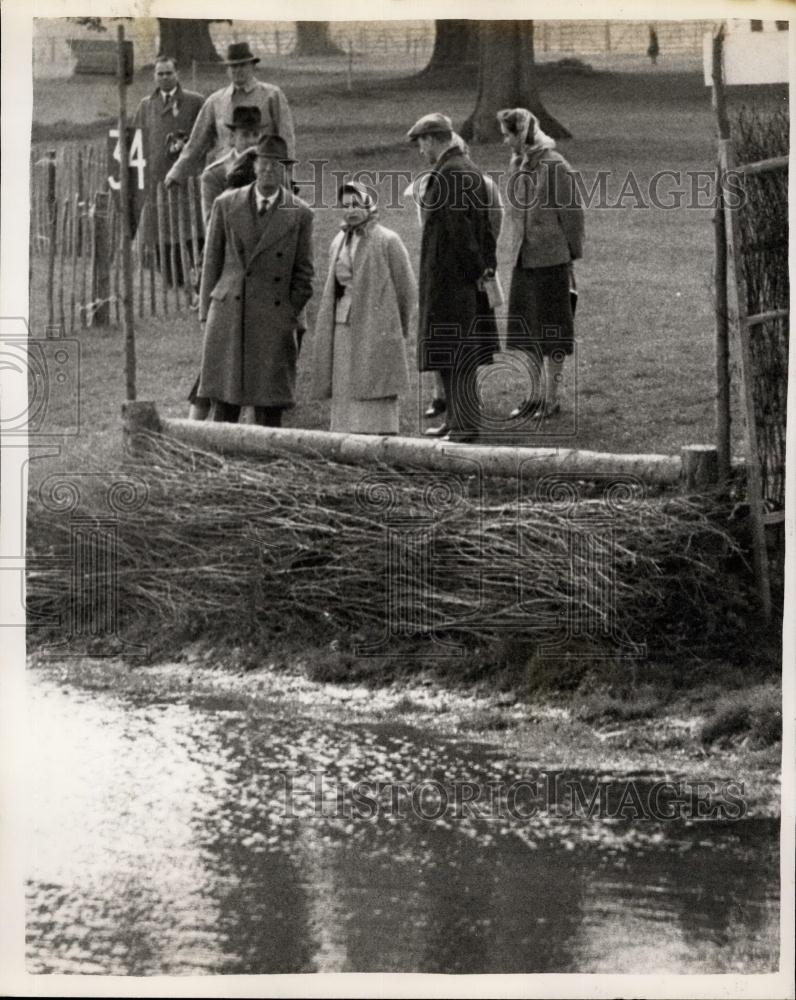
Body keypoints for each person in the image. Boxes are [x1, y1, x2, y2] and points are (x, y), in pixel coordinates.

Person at [196, 134, 314, 426]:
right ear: (254, 165)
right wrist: (205, 311)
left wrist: (287, 313)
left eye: (277, 165)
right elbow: (211, 262)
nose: (269, 170)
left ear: (285, 170)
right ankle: (222, 461)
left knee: (268, 403)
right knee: (225, 399)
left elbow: (304, 273)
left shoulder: (300, 213)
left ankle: (266, 465)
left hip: (273, 319)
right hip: (229, 313)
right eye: (263, 163)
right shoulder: (226, 204)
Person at [405, 132, 504, 437]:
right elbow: (486, 225)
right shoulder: (469, 168)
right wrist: (486, 267)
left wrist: (477, 269)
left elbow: (459, 229)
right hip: (462, 278)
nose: (421, 150)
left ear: (434, 140)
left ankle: (464, 426)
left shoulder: (449, 174)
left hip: (451, 280)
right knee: (452, 352)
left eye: (422, 143)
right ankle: (455, 421)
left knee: (456, 352)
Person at [498, 107, 584, 421]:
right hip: (523, 259)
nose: (506, 141)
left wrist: (570, 255)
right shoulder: (517, 164)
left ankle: (552, 397)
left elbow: (573, 216)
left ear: (524, 133)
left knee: (554, 331)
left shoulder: (556, 166)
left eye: (509, 134)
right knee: (527, 332)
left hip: (551, 260)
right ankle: (533, 396)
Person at [311, 181, 416, 435]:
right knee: (345, 381)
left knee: (374, 378)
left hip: (377, 323)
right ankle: (346, 436)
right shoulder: (338, 240)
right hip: (342, 322)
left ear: (369, 204)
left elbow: (406, 287)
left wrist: (395, 325)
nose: (351, 210)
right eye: (345, 206)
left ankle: (379, 435)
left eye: (356, 204)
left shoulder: (387, 240)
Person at [165, 42, 295, 188]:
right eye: (233, 66)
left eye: (242, 65)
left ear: (252, 66)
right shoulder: (216, 101)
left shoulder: (272, 95)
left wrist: (287, 174)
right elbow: (196, 142)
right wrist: (176, 172)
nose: (237, 70)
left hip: (262, 173)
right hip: (227, 176)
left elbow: (286, 138)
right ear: (227, 70)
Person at [132, 55, 204, 287]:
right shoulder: (146, 105)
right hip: (157, 180)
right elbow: (135, 141)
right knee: (161, 229)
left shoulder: (195, 102)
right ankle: (172, 278)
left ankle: (199, 273)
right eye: (160, 73)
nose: (164, 77)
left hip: (187, 180)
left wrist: (187, 147)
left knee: (192, 226)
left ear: (177, 75)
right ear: (154, 76)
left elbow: (206, 136)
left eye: (168, 73)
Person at [199, 105, 269, 230]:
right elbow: (213, 226)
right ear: (232, 137)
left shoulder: (273, 169)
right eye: (245, 135)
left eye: (256, 134)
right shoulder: (215, 175)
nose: (252, 141)